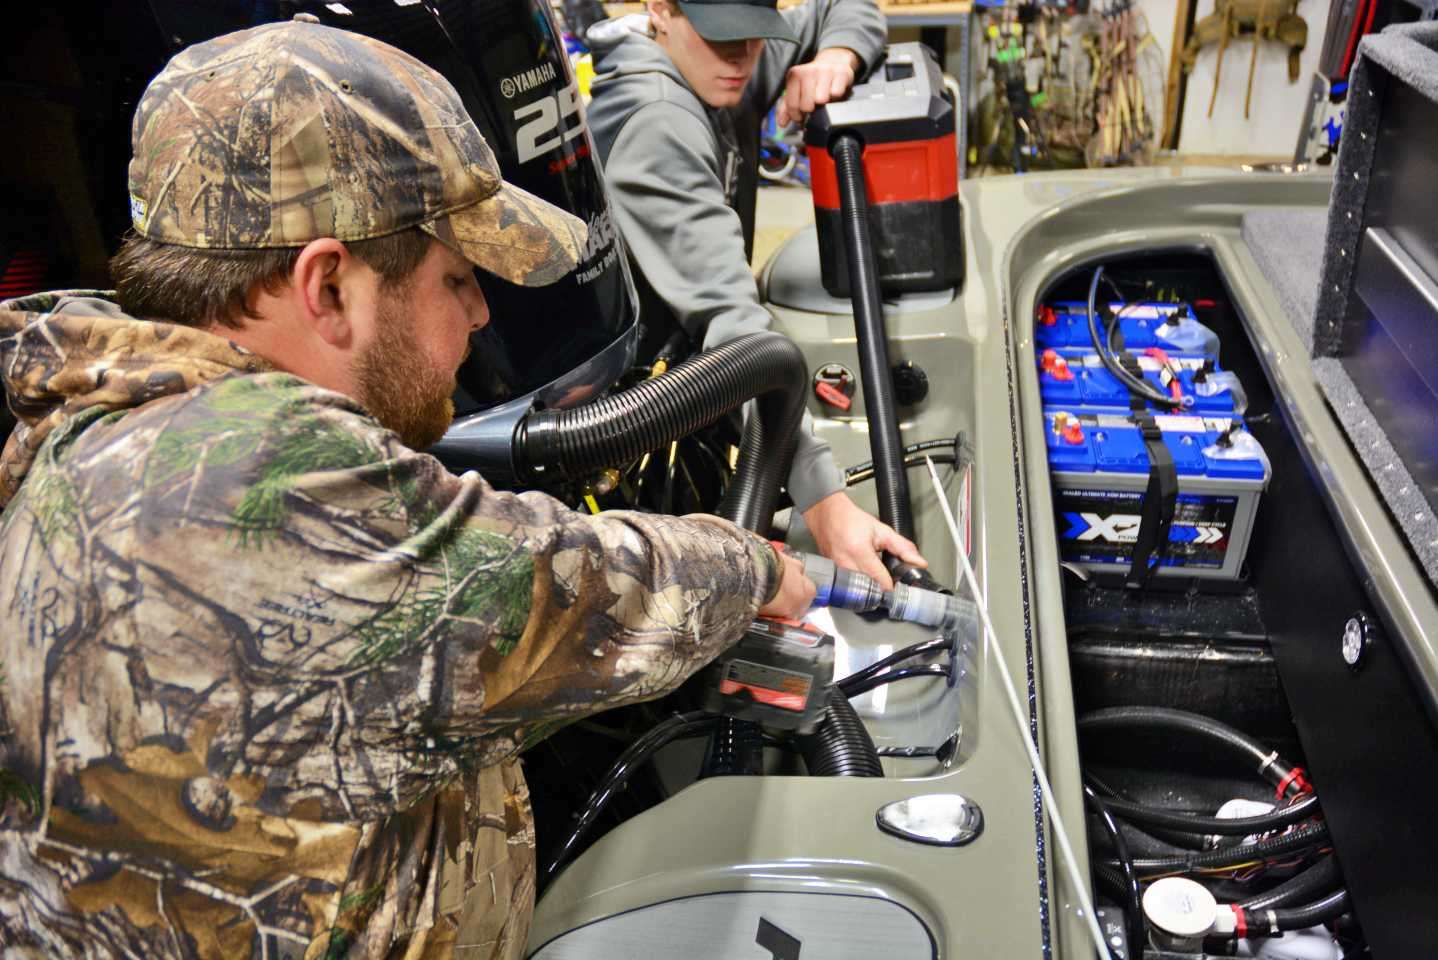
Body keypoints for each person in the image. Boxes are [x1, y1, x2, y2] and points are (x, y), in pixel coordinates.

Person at [0, 21, 814, 959]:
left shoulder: (121, 415)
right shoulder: (240, 483)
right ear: (327, 288)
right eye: (457, 278)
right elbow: (567, 590)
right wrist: (760, 567)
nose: (478, 313)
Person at [586, 0, 927, 589]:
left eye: (754, 34)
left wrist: (836, 58)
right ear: (660, 11)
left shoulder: (715, 65)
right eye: (723, 38)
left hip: (702, 371)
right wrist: (824, 501)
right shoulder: (657, 121)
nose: (742, 57)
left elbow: (845, 8)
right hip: (643, 424)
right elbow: (737, 329)